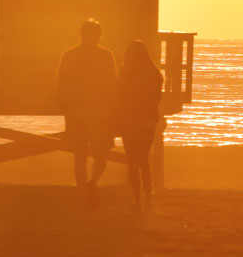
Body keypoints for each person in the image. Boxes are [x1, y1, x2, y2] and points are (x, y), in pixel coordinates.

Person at [55, 19, 117, 207]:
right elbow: (112, 83)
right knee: (101, 152)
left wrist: (64, 106)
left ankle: (84, 188)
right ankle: (92, 183)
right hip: (98, 112)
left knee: (80, 154)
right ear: (99, 35)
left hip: (77, 111)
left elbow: (61, 83)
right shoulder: (106, 55)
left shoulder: (70, 54)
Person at [112, 40, 163, 210]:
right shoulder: (155, 74)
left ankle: (137, 198)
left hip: (130, 122)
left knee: (132, 161)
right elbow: (156, 99)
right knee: (143, 159)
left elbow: (118, 97)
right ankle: (148, 193)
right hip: (147, 122)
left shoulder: (127, 73)